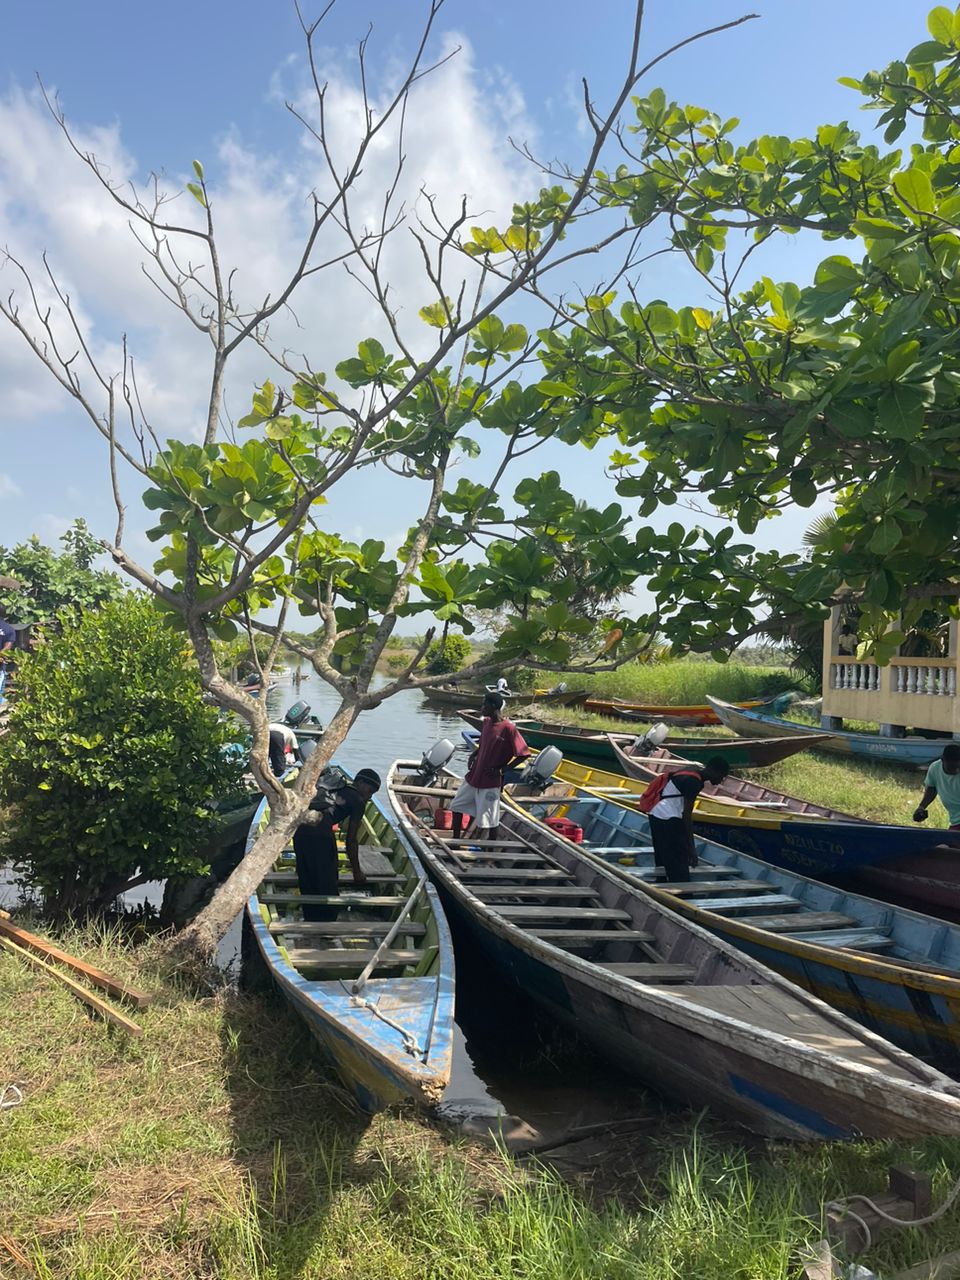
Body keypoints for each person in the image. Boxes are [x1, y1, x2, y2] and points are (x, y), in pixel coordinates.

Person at [294, 767, 382, 921]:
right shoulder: (358, 801)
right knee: (327, 881)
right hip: (321, 834)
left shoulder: (336, 788)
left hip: (299, 831)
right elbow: (351, 840)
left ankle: (310, 918)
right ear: (360, 783)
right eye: (369, 791)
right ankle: (327, 922)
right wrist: (357, 871)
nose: (369, 797)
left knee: (306, 876)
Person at [451, 692, 529, 841]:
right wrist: (474, 754)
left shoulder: (508, 728)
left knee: (491, 821)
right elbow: (484, 744)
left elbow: (523, 754)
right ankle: (456, 841)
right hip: (474, 776)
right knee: (456, 806)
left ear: (493, 706)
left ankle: (490, 851)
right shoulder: (486, 722)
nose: (482, 707)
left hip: (490, 781)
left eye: (484, 704)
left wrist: (502, 770)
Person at [647, 757, 731, 883]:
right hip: (667, 817)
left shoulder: (692, 771)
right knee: (679, 859)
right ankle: (683, 892)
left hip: (655, 813)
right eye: (722, 776)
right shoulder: (693, 782)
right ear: (714, 771)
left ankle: (661, 884)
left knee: (662, 853)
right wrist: (691, 849)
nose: (720, 781)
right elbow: (686, 815)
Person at [913, 743, 960, 830]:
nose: (956, 771)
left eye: (958, 767)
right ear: (942, 760)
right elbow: (932, 788)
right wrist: (921, 807)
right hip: (956, 821)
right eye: (951, 768)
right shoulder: (935, 768)